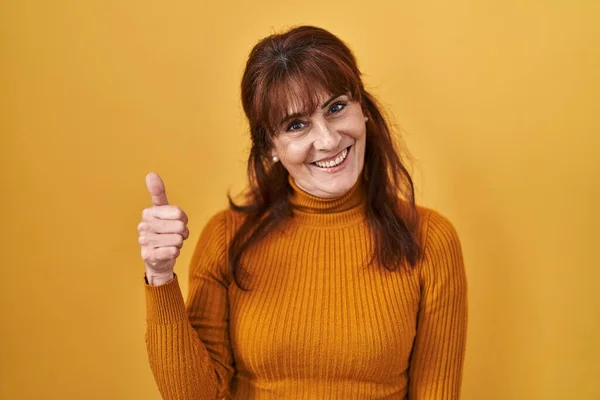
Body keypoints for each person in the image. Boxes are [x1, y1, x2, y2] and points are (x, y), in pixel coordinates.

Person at [137, 25, 468, 399]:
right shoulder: (226, 237)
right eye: (297, 125)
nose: (327, 140)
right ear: (271, 148)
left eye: (337, 107)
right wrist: (160, 277)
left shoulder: (431, 239)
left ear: (364, 111)